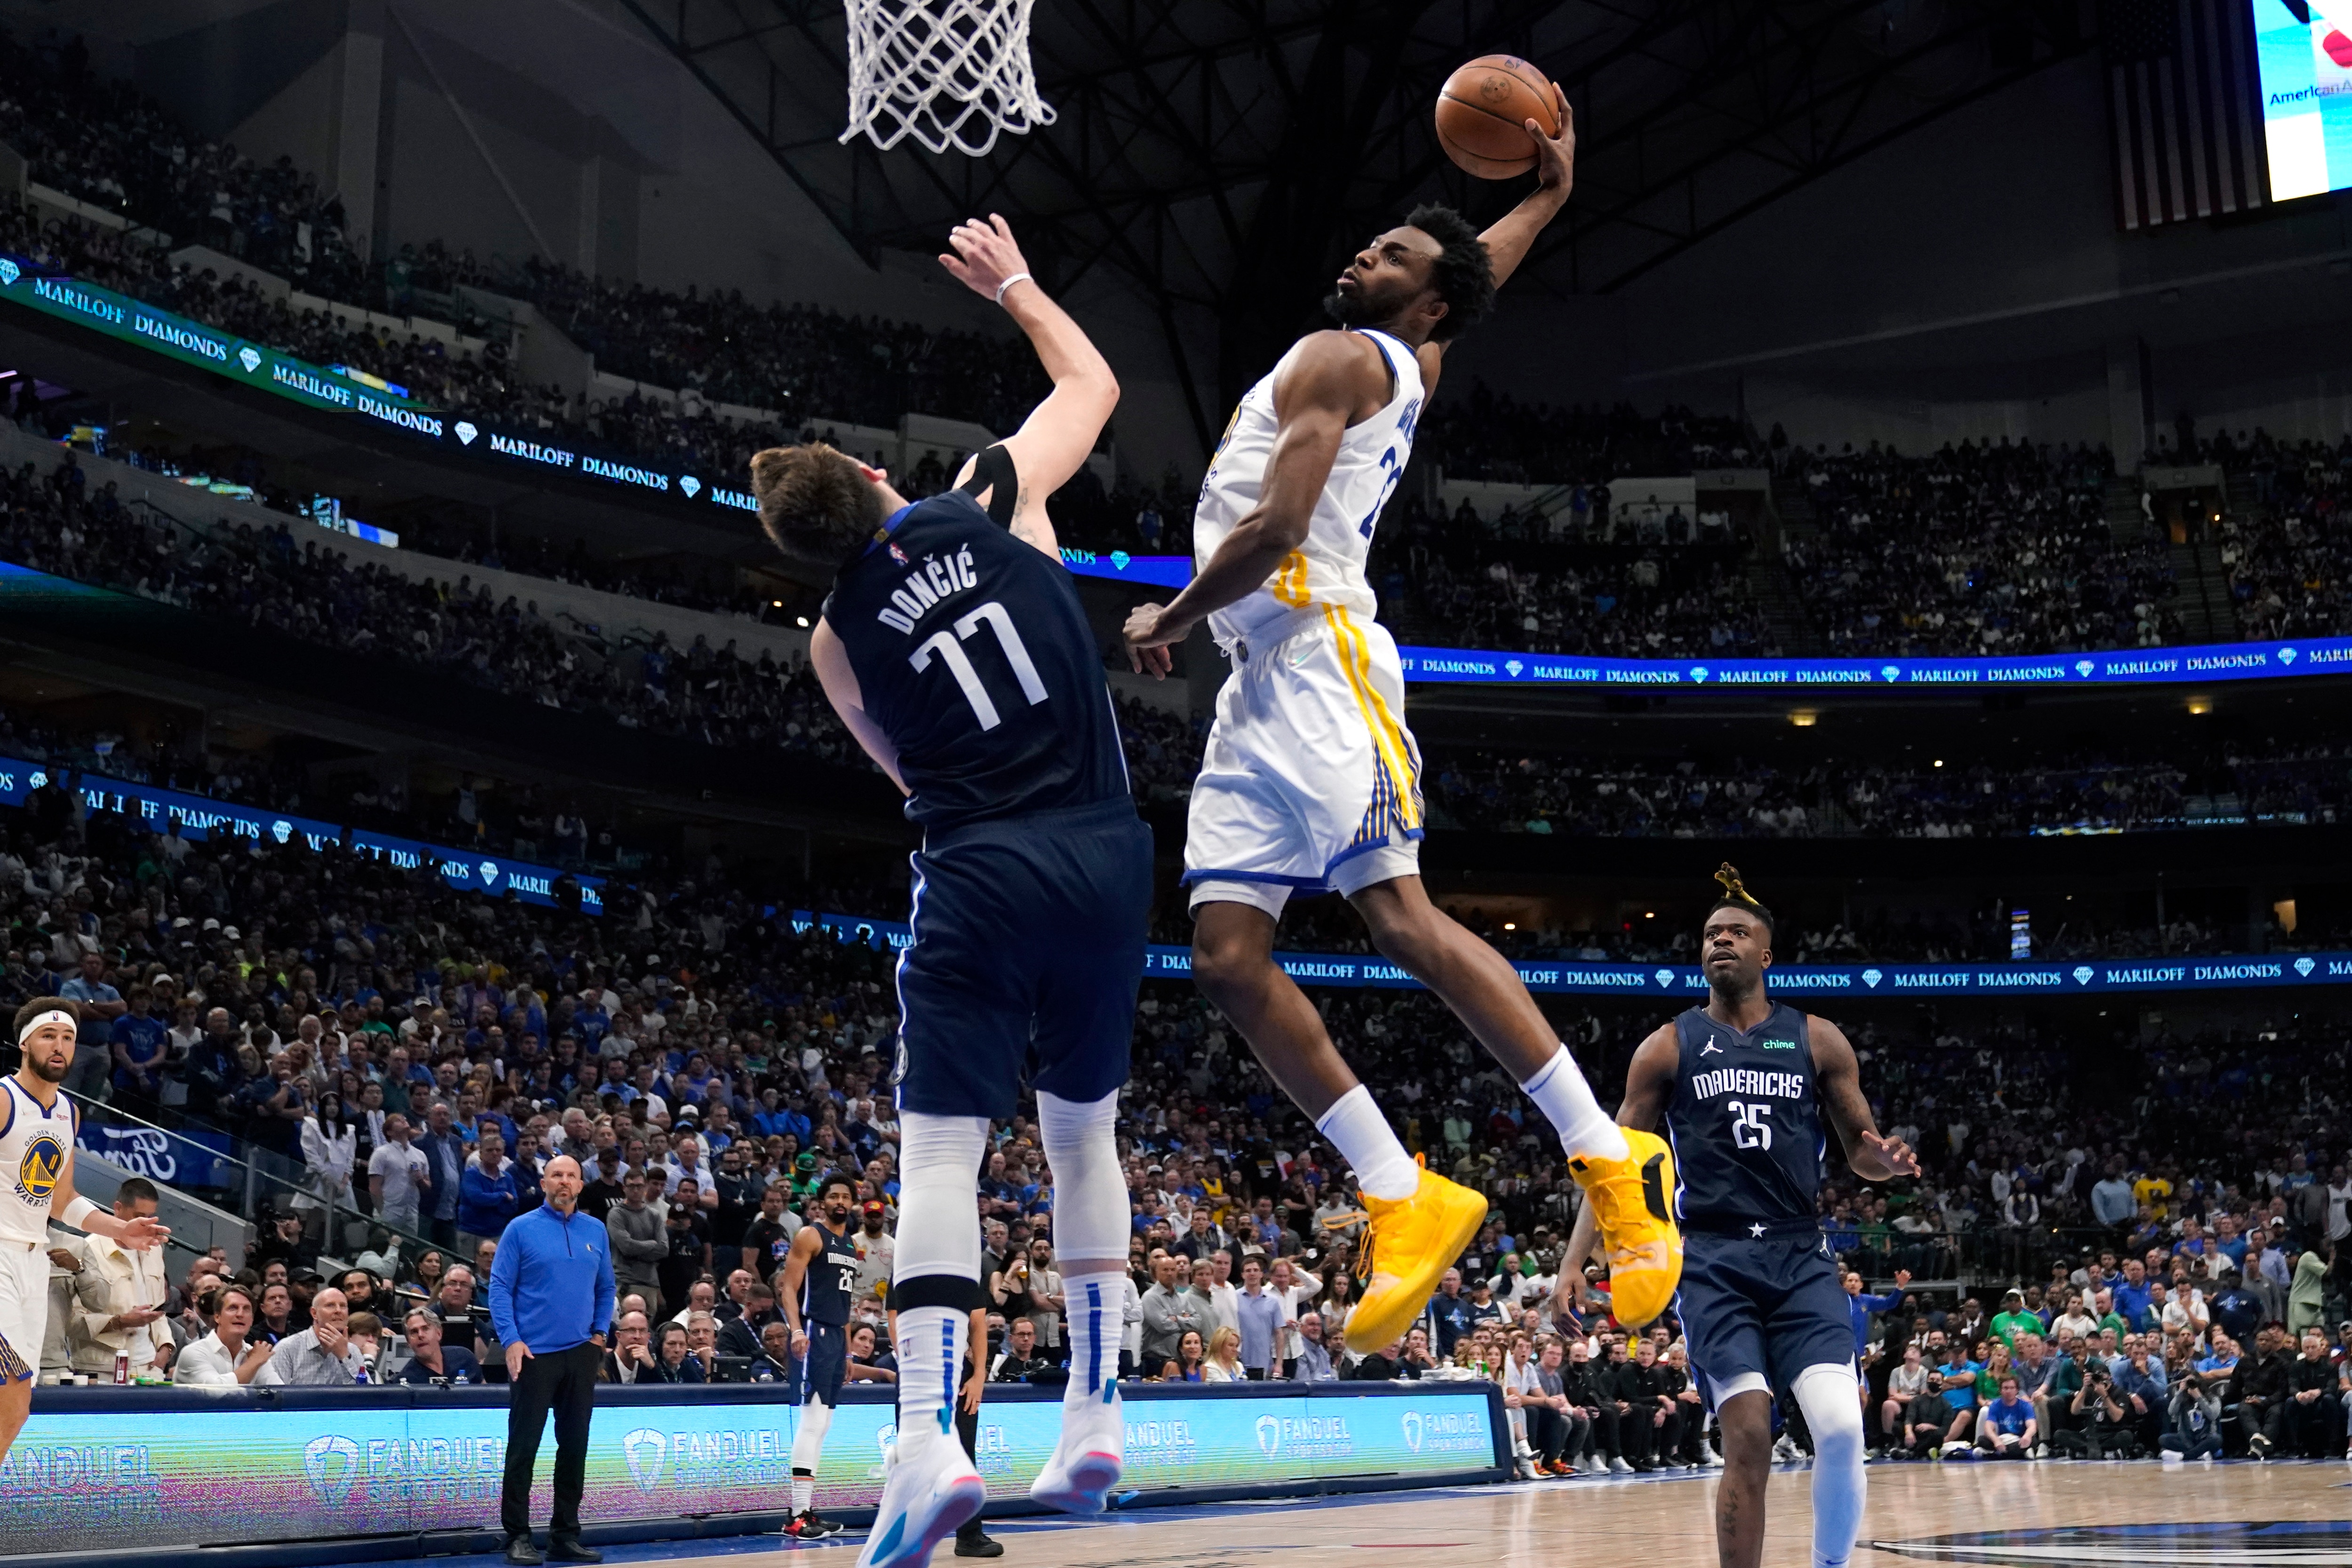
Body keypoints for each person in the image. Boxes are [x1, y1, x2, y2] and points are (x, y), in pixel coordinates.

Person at [1119, 93, 1679, 1365]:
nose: (1364, 255)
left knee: (1403, 918)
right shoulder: (1415, 358)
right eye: (1371, 244)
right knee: (1221, 951)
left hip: (1318, 659)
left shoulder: (1340, 358)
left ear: (1420, 303)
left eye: (1393, 255)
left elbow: (1269, 532)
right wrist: (1548, 195)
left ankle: (1609, 1158)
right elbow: (1483, 275)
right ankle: (1400, 1190)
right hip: (1260, 681)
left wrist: (1169, 612)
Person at [751, 213, 1145, 1568]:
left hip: (979, 863)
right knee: (1083, 1133)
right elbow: (1094, 389)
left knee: (938, 1153)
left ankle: (926, 1441)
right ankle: (1094, 1408)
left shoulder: (831, 642)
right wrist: (1020, 286)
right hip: (1105, 847)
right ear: (877, 475)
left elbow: (897, 769)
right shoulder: (986, 489)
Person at [1564, 871, 1917, 1568]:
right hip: (1716, 1260)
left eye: (1738, 932)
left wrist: (1888, 1162)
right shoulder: (1667, 1045)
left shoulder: (1818, 1039)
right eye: (1710, 934)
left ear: (1767, 956)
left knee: (1844, 1428)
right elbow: (1611, 1164)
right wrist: (1576, 1260)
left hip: (1799, 1256)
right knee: (1750, 1434)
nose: (1721, 939)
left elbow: (1862, 1155)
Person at [0, 1002, 168, 1464]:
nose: (59, 1045)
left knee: (17, 1411)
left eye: (68, 1037)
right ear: (25, 1043)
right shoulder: (4, 1098)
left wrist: (121, 1229)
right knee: (9, 1393)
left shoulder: (66, 1113)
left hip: (35, 1262)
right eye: (48, 1035)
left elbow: (62, 1199)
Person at [489, 1155, 614, 1567]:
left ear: (581, 1185)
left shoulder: (596, 1229)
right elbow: (500, 1287)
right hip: (533, 1354)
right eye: (556, 1175)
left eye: (571, 1176)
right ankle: (518, 1535)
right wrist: (511, 1340)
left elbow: (606, 1285)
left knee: (574, 1446)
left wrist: (599, 1333)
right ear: (544, 1183)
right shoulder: (520, 1228)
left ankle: (564, 1535)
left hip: (581, 1353)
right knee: (524, 1447)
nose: (564, 1182)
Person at [775, 1175, 862, 1540]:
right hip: (812, 1331)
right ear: (822, 1201)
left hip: (835, 1337)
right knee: (811, 1421)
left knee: (822, 1424)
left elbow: (844, 1301)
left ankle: (805, 1510)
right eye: (834, 1196)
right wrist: (796, 1330)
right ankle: (797, 1515)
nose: (840, 1201)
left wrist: (848, 1350)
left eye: (845, 1196)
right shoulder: (811, 1235)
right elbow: (788, 1288)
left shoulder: (850, 1244)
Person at [173, 1283, 273, 1386]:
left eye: (246, 1309)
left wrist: (256, 1360)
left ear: (252, 1320)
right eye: (233, 1308)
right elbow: (219, 1393)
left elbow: (282, 1395)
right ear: (217, 1317)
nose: (240, 1314)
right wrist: (254, 1362)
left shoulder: (256, 1355)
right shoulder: (193, 1353)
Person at [399, 1306, 484, 1385]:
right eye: (414, 1332)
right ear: (408, 1342)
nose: (420, 1335)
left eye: (426, 1329)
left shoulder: (465, 1358)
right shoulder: (406, 1379)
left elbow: (485, 1394)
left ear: (439, 1333)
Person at [1975, 1376, 2037, 1459]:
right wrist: (1996, 1441)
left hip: (2019, 1439)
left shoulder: (2026, 1406)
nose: (2009, 1391)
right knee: (1982, 1440)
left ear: (2017, 1390)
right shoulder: (1995, 1405)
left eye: (2012, 1388)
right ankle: (2019, 1453)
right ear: (2001, 1390)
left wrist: (2027, 1436)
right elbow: (1988, 1428)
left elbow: (2032, 1426)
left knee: (2034, 1441)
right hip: (2002, 1438)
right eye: (2006, 1388)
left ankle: (1996, 1453)